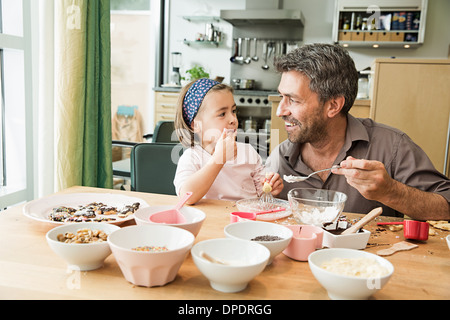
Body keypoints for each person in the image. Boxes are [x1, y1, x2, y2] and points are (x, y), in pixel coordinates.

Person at [265, 43, 450, 220]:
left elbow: (446, 206)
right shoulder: (280, 157)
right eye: (281, 97)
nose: (280, 111)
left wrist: (391, 192)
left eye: (293, 100)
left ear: (334, 105)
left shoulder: (391, 147)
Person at [173, 78, 283, 204]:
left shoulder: (248, 152)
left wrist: (271, 188)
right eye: (222, 114)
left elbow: (263, 194)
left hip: (246, 220)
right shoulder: (192, 158)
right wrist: (218, 159)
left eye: (233, 111)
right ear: (196, 125)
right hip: (212, 221)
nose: (233, 119)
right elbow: (186, 197)